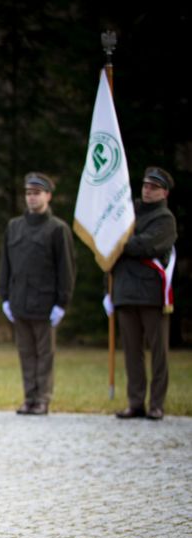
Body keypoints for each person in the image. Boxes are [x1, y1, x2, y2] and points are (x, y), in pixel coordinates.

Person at [0, 172, 74, 415]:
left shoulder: (57, 229)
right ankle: (29, 397)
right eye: (28, 193)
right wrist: (5, 297)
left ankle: (43, 398)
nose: (31, 198)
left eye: (37, 193)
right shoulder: (14, 226)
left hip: (45, 302)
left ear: (48, 196)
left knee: (44, 355)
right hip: (19, 301)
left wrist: (62, 302)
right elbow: (6, 265)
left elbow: (66, 269)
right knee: (26, 354)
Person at [105, 167, 178, 420]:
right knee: (132, 352)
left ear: (164, 192)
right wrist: (109, 291)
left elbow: (146, 246)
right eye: (146, 186)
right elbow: (110, 250)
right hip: (124, 291)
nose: (147, 190)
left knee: (158, 352)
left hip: (150, 294)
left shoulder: (165, 219)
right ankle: (135, 402)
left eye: (154, 187)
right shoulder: (126, 213)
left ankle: (156, 403)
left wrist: (122, 242)